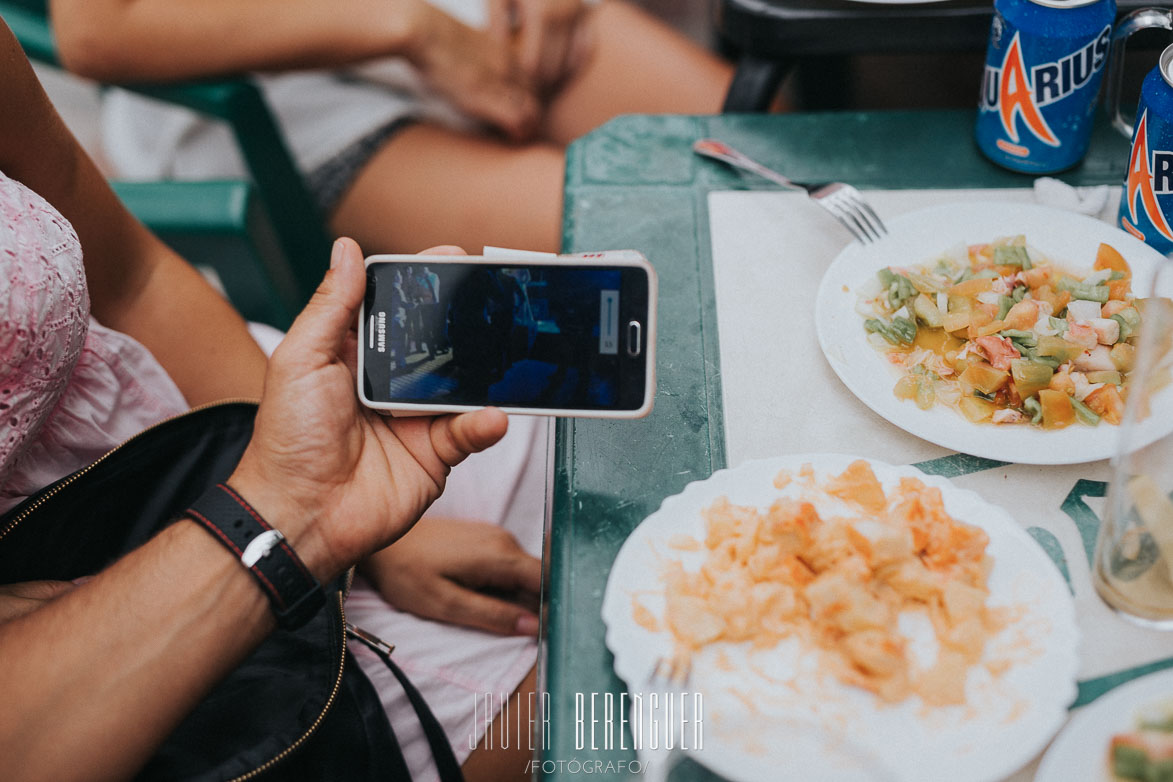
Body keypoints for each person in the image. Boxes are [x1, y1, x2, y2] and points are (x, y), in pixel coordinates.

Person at [0, 19, 540, 781]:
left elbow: (131, 277)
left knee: (630, 486)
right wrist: (298, 521)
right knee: (641, 712)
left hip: (221, 415)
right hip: (128, 654)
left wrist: (370, 525)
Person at [48, 0, 736, 254]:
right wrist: (409, 29)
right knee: (669, 231)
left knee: (758, 147)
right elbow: (98, 31)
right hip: (257, 69)